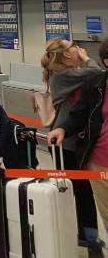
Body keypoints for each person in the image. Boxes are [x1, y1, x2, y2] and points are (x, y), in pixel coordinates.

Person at [39, 38, 103, 247]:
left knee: (84, 190)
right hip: (64, 142)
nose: (78, 49)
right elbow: (96, 72)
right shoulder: (61, 76)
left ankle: (89, 235)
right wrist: (86, 58)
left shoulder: (71, 75)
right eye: (74, 46)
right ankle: (80, 234)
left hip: (79, 141)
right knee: (75, 189)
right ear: (66, 54)